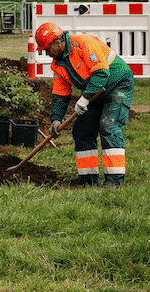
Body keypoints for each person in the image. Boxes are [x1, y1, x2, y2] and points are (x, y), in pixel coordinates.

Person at [35, 21, 135, 188]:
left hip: (117, 84)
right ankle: (88, 181)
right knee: (82, 130)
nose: (46, 53)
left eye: (47, 48)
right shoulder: (58, 64)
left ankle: (113, 181)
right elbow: (60, 94)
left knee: (108, 125)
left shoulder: (84, 44)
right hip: (95, 93)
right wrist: (56, 119)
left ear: (57, 42)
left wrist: (85, 97)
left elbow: (101, 73)